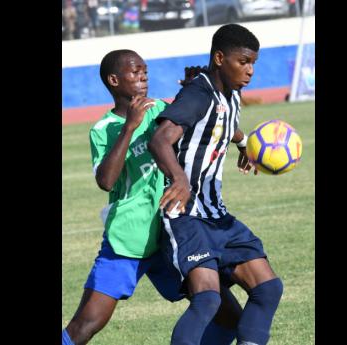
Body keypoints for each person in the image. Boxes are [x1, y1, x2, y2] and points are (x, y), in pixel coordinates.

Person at [62, 49, 243, 345]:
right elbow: (106, 181)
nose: (143, 75)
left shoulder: (161, 108)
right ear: (114, 80)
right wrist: (130, 126)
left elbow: (205, 126)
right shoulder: (103, 129)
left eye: (145, 70)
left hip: (174, 235)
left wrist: (192, 93)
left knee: (228, 316)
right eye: (135, 71)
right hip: (129, 240)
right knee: (86, 325)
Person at [148, 24, 284, 345]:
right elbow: (160, 139)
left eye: (254, 63)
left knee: (268, 288)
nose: (250, 71)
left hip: (217, 216)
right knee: (208, 299)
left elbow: (225, 122)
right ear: (220, 58)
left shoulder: (232, 93)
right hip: (185, 216)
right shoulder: (198, 93)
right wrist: (179, 177)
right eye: (244, 62)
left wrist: (243, 143)